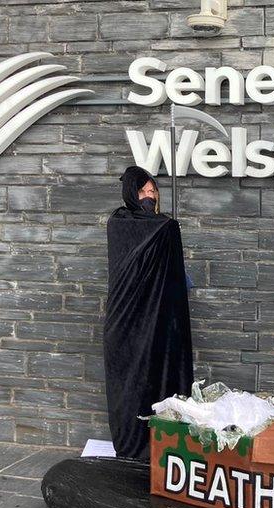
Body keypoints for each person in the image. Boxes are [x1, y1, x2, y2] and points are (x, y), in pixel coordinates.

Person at [103, 166, 194, 460]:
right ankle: (131, 446)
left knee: (158, 378)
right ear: (131, 194)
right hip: (127, 321)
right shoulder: (119, 223)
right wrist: (163, 225)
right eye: (143, 191)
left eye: (153, 191)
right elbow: (139, 238)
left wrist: (167, 227)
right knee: (130, 385)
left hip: (157, 321)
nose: (149, 196)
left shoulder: (165, 227)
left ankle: (161, 444)